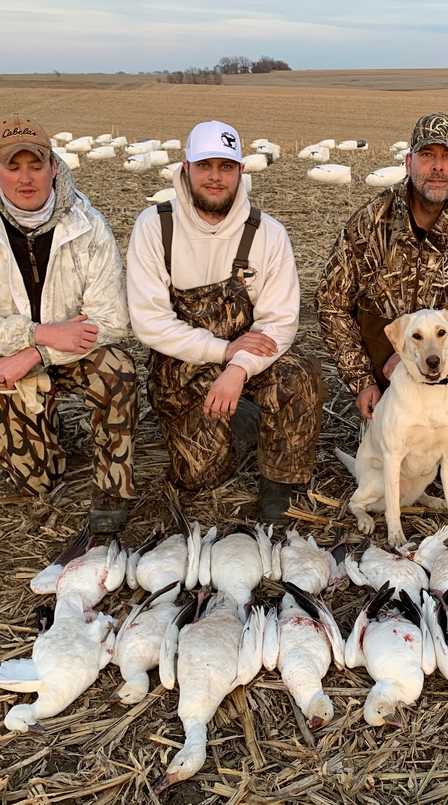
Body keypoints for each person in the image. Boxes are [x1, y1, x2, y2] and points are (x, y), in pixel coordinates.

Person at [315, 112, 448, 527]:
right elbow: (330, 301)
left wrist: (440, 350)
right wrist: (361, 379)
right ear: (409, 162)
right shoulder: (372, 221)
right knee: (389, 455)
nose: (437, 167)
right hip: (389, 372)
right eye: (427, 155)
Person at [0, 114, 138, 536]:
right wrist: (36, 334)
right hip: (1, 361)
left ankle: (113, 488)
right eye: (13, 166)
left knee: (117, 369)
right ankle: (44, 422)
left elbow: (112, 319)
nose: (25, 178)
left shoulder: (86, 225)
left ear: (53, 165)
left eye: (36, 165)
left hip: (69, 350)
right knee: (38, 484)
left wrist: (40, 351)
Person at [126, 120, 324, 523]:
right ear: (185, 168)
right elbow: (149, 322)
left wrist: (236, 368)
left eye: (226, 166)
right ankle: (245, 421)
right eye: (205, 166)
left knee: (300, 373)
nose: (215, 177)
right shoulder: (155, 227)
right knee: (198, 476)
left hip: (250, 358)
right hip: (183, 362)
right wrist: (221, 350)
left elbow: (280, 321)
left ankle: (279, 480)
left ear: (241, 172)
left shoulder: (268, 233)